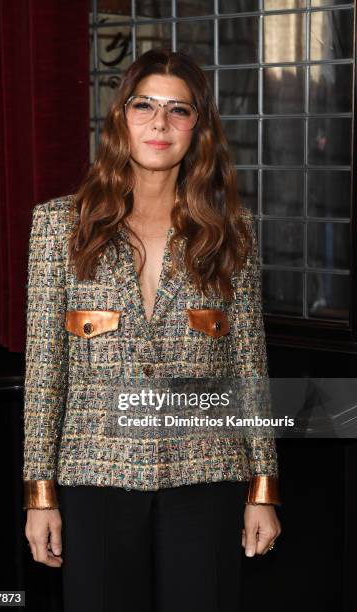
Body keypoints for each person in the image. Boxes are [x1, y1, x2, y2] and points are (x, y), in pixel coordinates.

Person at [23, 48, 282, 612]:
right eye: (144, 106)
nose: (160, 123)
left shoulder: (232, 232)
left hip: (207, 473)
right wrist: (39, 495)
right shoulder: (59, 227)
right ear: (121, 118)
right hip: (94, 474)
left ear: (199, 127)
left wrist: (264, 487)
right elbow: (45, 369)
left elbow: (249, 366)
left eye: (179, 110)